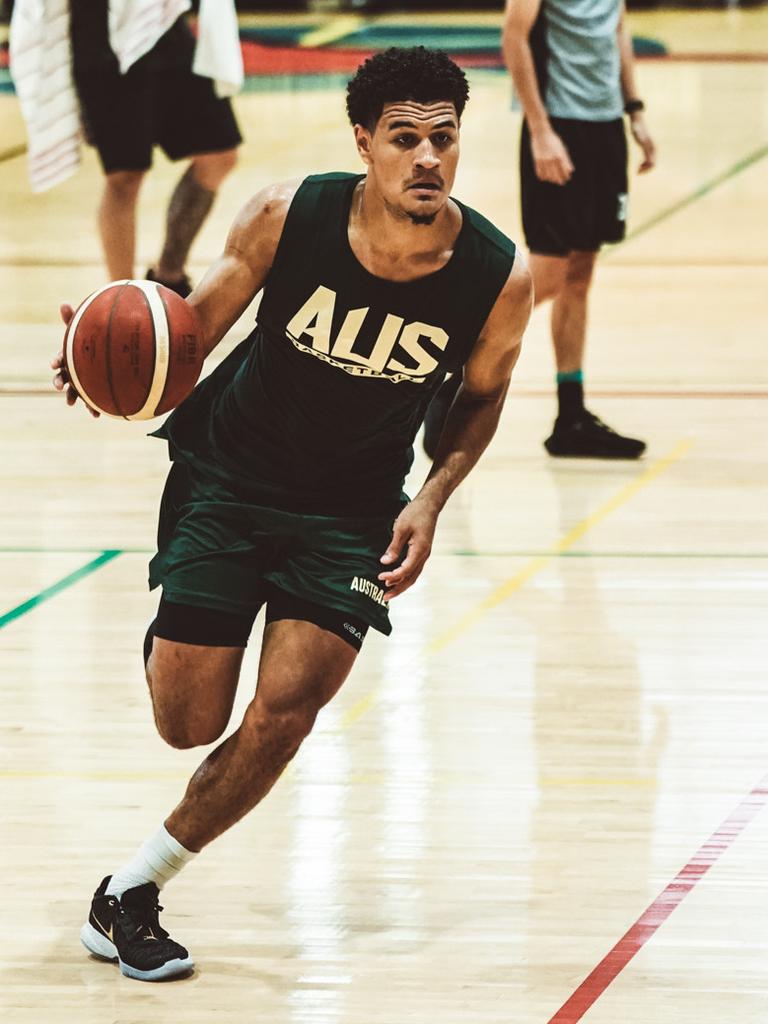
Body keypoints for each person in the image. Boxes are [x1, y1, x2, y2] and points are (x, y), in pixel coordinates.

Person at [52, 47, 533, 982]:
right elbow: (188, 333)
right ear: (365, 143)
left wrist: (432, 499)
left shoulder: (496, 276)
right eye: (405, 139)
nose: (428, 157)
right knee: (188, 723)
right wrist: (108, 354)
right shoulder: (287, 216)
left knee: (286, 714)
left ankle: (133, 891)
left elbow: (481, 398)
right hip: (229, 478)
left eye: (444, 137)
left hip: (351, 512)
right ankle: (186, 620)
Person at [423, 0, 656, 461]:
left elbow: (618, 29)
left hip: (604, 127)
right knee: (546, 274)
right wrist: (540, 129)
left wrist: (635, 110)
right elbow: (514, 37)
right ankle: (447, 379)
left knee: (580, 275)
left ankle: (571, 417)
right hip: (559, 127)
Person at [70, 1, 242, 294]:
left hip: (163, 21)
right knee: (125, 174)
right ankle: (121, 300)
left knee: (219, 154)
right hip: (101, 26)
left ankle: (168, 274)